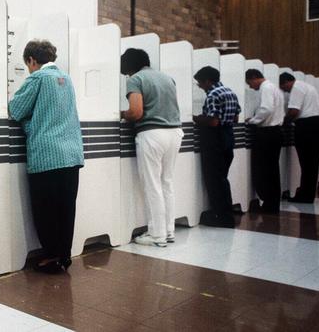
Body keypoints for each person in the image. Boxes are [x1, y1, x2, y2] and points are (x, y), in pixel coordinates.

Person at [9, 40, 84, 274]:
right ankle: (63, 255)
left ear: (32, 60)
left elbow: (16, 109)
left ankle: (51, 256)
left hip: (47, 155)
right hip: (71, 153)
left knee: (46, 210)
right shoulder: (66, 78)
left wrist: (28, 122)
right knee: (65, 209)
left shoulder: (37, 79)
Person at [121, 48, 183, 247]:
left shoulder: (136, 79)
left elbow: (136, 112)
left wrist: (122, 113)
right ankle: (169, 231)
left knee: (152, 185)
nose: (126, 75)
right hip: (175, 133)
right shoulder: (167, 78)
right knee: (167, 183)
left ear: (130, 65)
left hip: (152, 134)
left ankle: (157, 234)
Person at [193, 66, 241, 228]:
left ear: (208, 80)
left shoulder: (213, 94)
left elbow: (213, 122)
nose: (199, 86)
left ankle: (221, 217)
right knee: (222, 178)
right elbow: (235, 118)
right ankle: (226, 214)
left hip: (215, 139)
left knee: (214, 180)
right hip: (228, 137)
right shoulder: (230, 92)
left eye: (200, 82)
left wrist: (197, 119)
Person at [279, 72, 319, 203]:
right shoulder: (308, 86)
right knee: (312, 163)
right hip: (316, 124)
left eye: (283, 87)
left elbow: (294, 111)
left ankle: (304, 196)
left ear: (286, 82)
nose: (284, 91)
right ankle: (308, 195)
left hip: (306, 126)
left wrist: (283, 122)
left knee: (306, 163)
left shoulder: (296, 89)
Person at [245, 69, 284, 213]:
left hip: (267, 133)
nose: (250, 87)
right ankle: (272, 203)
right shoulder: (274, 87)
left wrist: (253, 121)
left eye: (249, 83)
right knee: (272, 169)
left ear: (254, 78)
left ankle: (268, 203)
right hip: (276, 132)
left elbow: (266, 109)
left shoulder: (265, 88)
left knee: (264, 169)